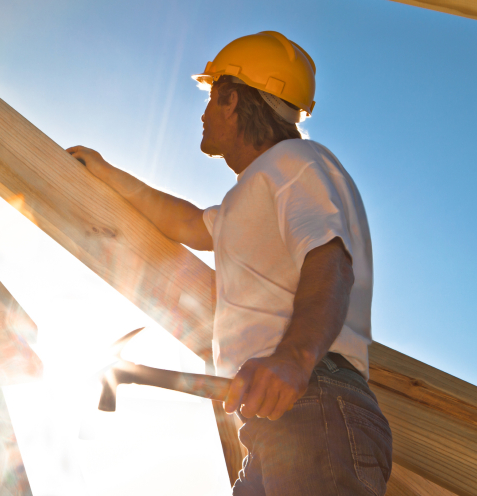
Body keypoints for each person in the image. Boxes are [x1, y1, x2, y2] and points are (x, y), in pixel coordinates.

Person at [68, 31, 392, 495]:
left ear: (231, 98)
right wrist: (104, 171)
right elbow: (188, 223)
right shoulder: (257, 189)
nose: (202, 115)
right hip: (278, 418)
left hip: (313, 398)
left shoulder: (294, 162)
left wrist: (294, 358)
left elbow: (330, 259)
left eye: (210, 99)